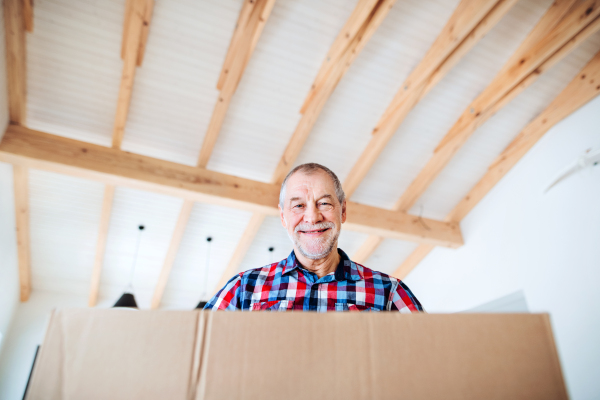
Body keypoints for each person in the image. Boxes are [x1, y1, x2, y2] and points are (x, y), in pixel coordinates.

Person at [201, 163, 423, 312]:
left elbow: (430, 363)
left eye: (324, 203)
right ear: (283, 217)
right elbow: (196, 352)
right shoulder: (243, 289)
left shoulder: (389, 292)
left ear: (342, 211)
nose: (312, 217)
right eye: (298, 205)